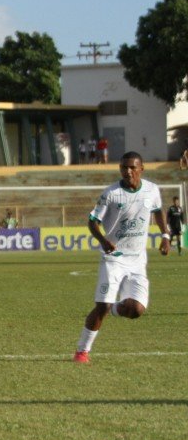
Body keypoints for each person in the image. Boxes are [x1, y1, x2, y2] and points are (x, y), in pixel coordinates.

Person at [73, 152, 170, 364]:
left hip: (137, 260)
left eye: (133, 168)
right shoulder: (111, 194)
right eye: (124, 167)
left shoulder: (152, 190)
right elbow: (92, 221)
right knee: (101, 307)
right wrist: (103, 240)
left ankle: (115, 308)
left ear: (141, 169)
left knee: (136, 310)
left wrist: (165, 235)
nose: (128, 171)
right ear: (120, 169)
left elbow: (158, 211)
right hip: (114, 258)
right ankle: (82, 351)